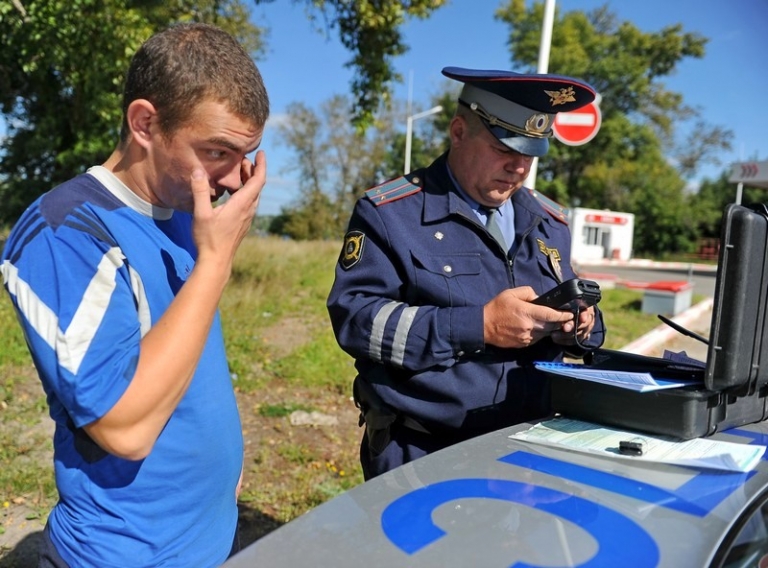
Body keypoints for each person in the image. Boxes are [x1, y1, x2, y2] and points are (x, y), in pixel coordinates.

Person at [0, 23, 269, 567]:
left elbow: (186, 356)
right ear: (145, 122)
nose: (236, 178)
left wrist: (219, 461)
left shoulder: (182, 214)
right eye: (217, 150)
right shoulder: (66, 233)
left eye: (248, 155)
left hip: (203, 542)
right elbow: (125, 428)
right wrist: (215, 263)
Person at [327, 67, 606, 480]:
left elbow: (593, 329)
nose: (518, 167)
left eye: (530, 153)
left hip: (531, 451)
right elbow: (356, 320)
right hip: (425, 453)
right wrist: (479, 326)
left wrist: (580, 325)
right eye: (502, 148)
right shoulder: (392, 213)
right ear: (459, 131)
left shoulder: (550, 222)